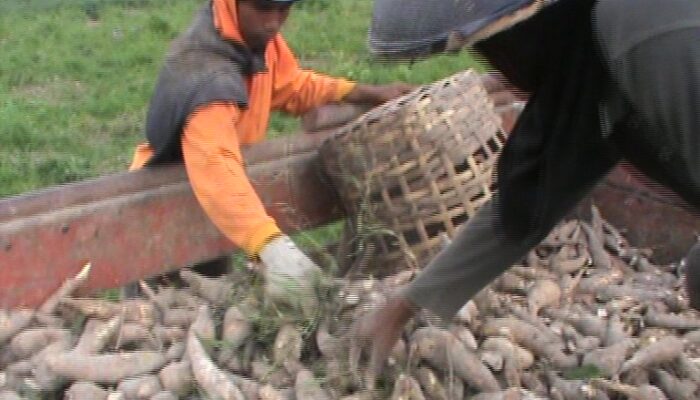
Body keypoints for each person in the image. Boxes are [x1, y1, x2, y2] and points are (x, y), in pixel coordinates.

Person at [352, 0, 700, 383]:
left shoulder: (652, 39)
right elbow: (532, 197)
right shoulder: (592, 61)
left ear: (524, 19)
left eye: (495, 42)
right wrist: (406, 305)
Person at [129, 0, 413, 315]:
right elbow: (216, 169)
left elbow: (290, 86)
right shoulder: (207, 77)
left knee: (210, 308)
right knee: (157, 318)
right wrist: (270, 246)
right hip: (163, 216)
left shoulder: (254, 41)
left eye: (283, 10)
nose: (274, 22)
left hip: (219, 208)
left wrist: (362, 92)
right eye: (264, 9)